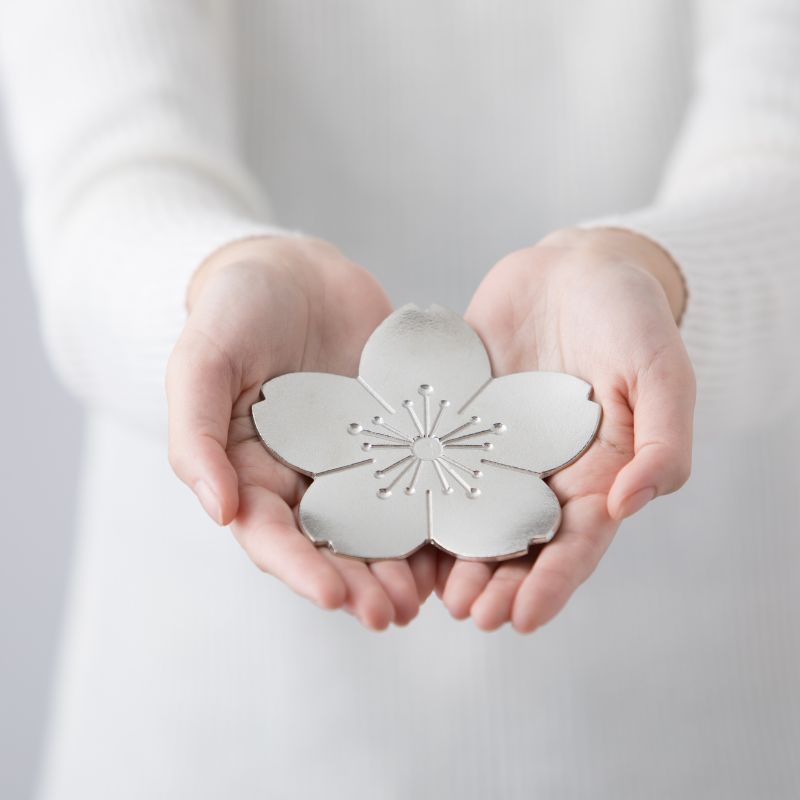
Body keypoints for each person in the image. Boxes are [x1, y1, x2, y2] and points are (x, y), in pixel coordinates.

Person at [1, 1, 798, 797]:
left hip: (701, 691)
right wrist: (215, 282)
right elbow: (111, 163)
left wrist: (657, 277)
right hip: (214, 703)